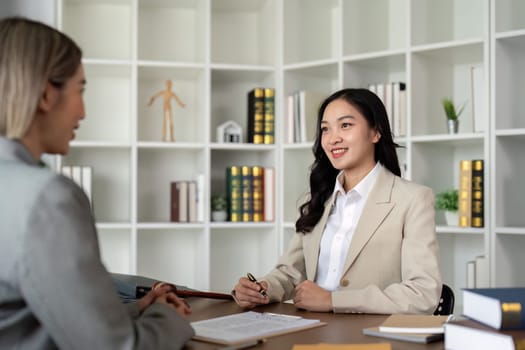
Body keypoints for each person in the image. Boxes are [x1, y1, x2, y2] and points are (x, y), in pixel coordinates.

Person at [0, 17, 194, 349]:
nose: (83, 111)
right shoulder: (47, 197)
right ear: (47, 94)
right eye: (81, 90)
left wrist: (136, 310)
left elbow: (28, 318)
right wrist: (170, 320)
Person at [233, 88, 442, 314]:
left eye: (345, 125)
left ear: (376, 132)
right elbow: (291, 273)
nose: (333, 138)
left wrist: (333, 300)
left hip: (371, 337)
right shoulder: (317, 198)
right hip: (311, 328)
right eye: (325, 129)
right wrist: (262, 288)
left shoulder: (412, 199)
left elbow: (423, 292)